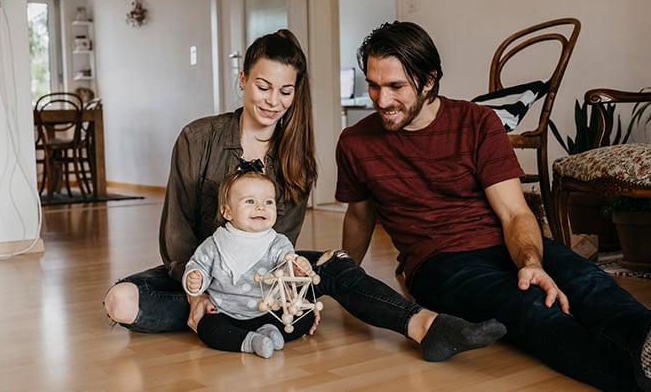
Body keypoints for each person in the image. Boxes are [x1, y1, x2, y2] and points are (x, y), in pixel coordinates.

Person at [103, 28, 506, 363]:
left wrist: (293, 294)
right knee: (121, 302)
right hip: (202, 274)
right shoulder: (197, 137)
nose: (272, 101)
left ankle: (426, 326)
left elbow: (283, 246)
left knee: (334, 265)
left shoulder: (298, 159)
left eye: (285, 91)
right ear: (242, 79)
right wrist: (199, 293)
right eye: (262, 86)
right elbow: (176, 236)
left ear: (296, 93)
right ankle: (226, 317)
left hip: (265, 281)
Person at [335, 20, 651, 391]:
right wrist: (346, 281)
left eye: (395, 87)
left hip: (502, 241)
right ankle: (635, 380)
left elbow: (514, 212)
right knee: (527, 307)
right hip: (439, 264)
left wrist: (530, 263)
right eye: (373, 85)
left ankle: (645, 343)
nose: (381, 100)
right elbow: (359, 215)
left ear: (429, 79)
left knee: (588, 281)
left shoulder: (476, 121)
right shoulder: (355, 143)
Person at [183, 169, 316, 359]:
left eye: (268, 202)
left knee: (306, 315)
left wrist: (298, 269)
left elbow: (287, 269)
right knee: (207, 328)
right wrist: (196, 278)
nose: (261, 207)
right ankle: (250, 341)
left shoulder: (278, 242)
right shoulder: (215, 244)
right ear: (227, 211)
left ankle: (270, 331)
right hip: (226, 312)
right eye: (250, 201)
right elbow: (199, 266)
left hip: (272, 311)